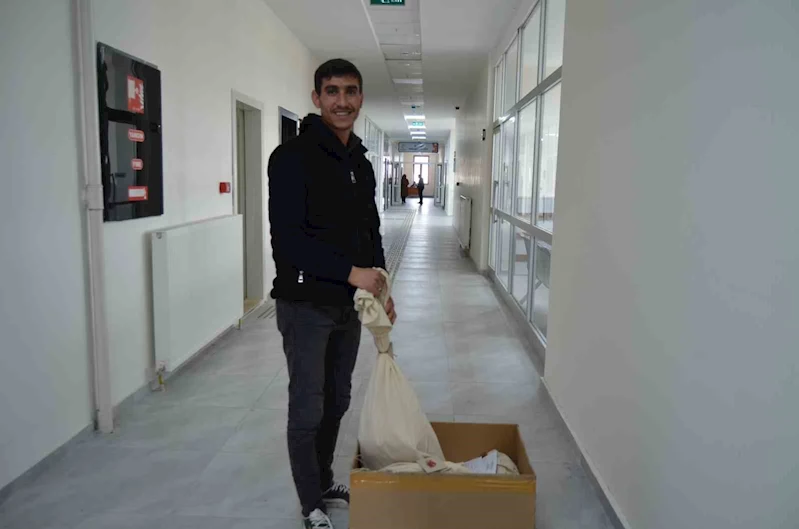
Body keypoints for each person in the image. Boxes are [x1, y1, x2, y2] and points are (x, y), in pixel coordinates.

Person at [268, 59, 398, 529]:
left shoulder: (360, 161)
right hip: (305, 305)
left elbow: (370, 228)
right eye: (332, 91)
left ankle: (322, 481)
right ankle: (311, 506)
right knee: (308, 407)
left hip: (348, 304)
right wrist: (351, 273)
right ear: (316, 98)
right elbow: (288, 240)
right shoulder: (291, 157)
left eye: (350, 91)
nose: (342, 101)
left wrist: (380, 283)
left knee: (338, 400)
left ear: (360, 97)